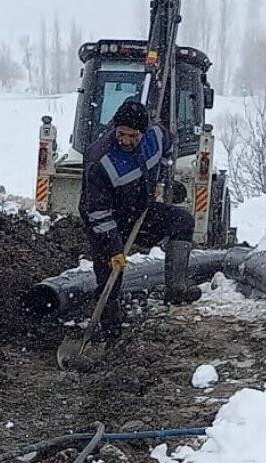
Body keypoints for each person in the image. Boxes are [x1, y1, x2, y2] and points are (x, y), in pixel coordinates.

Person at [79, 100, 202, 340]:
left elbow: (169, 144)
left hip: (139, 210)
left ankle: (177, 288)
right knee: (110, 278)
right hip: (106, 219)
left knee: (182, 221)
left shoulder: (155, 137)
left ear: (143, 133)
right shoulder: (100, 159)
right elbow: (98, 212)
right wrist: (114, 249)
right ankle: (110, 333)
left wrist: (164, 177)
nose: (125, 140)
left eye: (132, 136)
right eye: (121, 134)